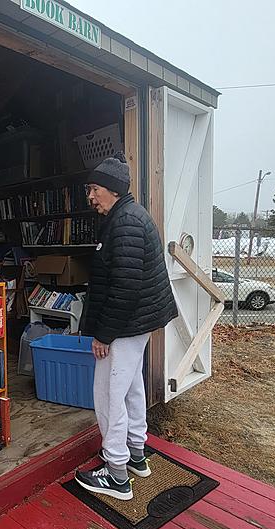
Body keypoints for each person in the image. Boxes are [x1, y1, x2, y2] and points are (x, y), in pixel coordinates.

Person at [74, 153, 178, 500]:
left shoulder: (126, 223)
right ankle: (136, 454)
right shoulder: (128, 216)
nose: (90, 196)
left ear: (113, 190)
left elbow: (125, 287)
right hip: (136, 324)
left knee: (107, 396)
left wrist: (104, 334)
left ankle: (116, 475)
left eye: (94, 189)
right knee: (132, 387)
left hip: (124, 325)